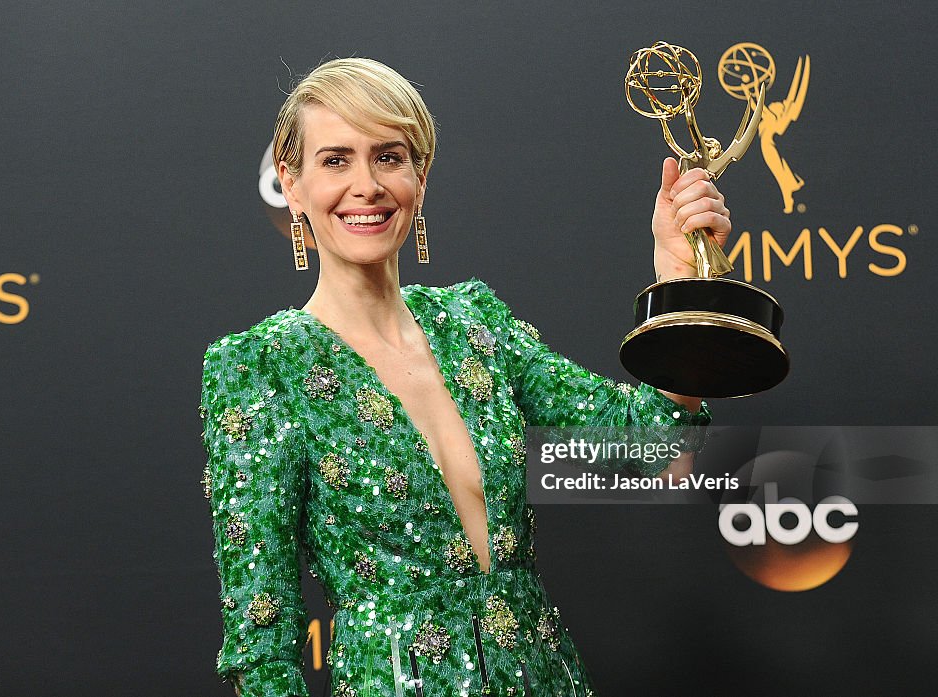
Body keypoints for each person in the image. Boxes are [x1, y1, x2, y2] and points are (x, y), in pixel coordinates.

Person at [198, 57, 728, 697]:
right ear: (293, 182)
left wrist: (677, 281)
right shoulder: (259, 367)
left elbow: (655, 453)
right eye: (335, 160)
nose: (365, 185)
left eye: (389, 157)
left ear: (419, 178)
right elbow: (261, 643)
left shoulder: (476, 322)